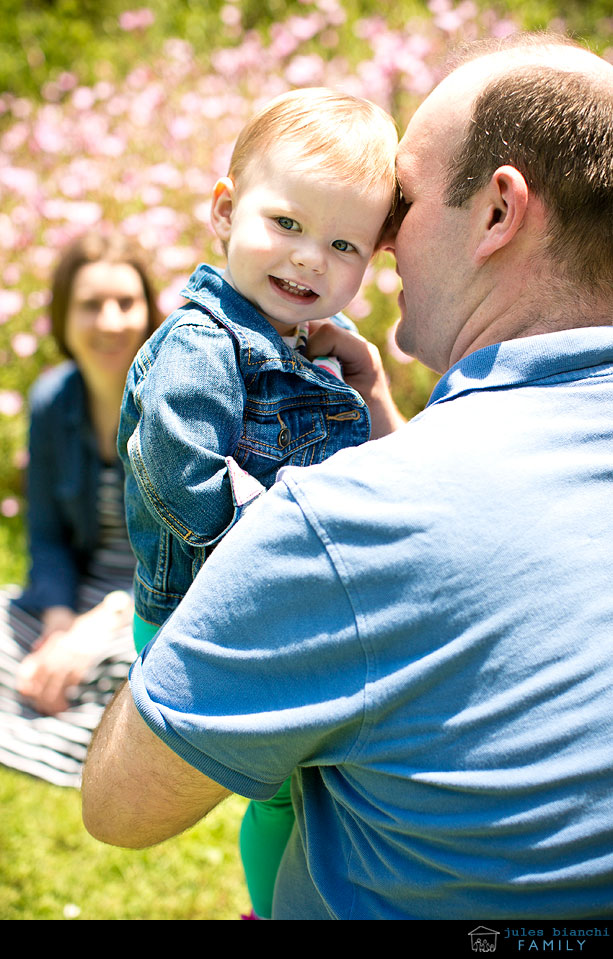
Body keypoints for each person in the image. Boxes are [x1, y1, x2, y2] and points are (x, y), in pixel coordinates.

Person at [83, 34, 613, 919]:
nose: (384, 235)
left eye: (396, 205)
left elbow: (117, 810)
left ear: (495, 212)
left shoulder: (335, 529)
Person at [116, 88, 398, 919]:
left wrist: (366, 387)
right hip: (203, 609)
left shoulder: (295, 347)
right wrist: (284, 552)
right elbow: (178, 477)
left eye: (342, 243)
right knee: (285, 793)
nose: (310, 258)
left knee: (296, 793)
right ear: (225, 211)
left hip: (264, 605)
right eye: (286, 224)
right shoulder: (204, 345)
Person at [0, 232, 160, 787]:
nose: (111, 321)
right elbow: (45, 536)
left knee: (142, 672)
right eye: (91, 305)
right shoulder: (51, 400)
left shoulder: (174, 406)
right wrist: (60, 622)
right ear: (63, 317)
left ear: (150, 313)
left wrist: (104, 622)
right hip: (81, 591)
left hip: (157, 601)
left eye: (126, 303)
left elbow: (197, 555)